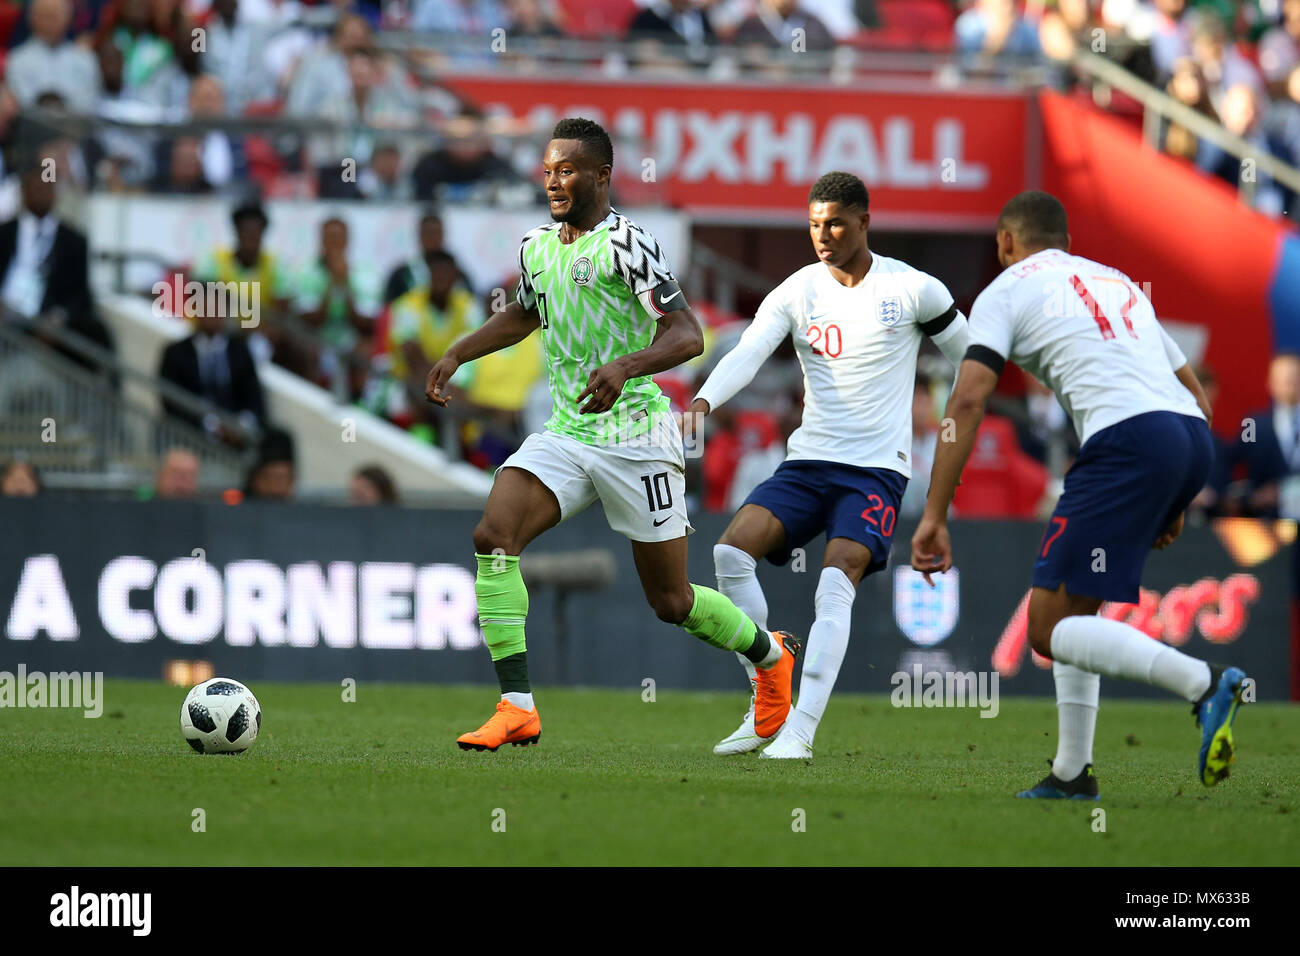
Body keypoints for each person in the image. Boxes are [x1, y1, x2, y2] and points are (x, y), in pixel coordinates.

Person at [425, 117, 800, 752]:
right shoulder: (538, 246)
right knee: (494, 534)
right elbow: (524, 312)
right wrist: (460, 351)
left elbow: (688, 334)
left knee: (672, 600)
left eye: (567, 170)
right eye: (547, 171)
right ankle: (516, 705)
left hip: (637, 433)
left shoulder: (630, 245)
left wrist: (625, 366)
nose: (554, 182)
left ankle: (772, 656)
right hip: (569, 430)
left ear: (602, 175)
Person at [911, 190, 1247, 798]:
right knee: (1076, 612)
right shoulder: (1118, 282)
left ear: (1008, 242)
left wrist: (934, 513)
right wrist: (1171, 498)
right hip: (1189, 438)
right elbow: (1196, 398)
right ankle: (1072, 773)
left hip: (1126, 443)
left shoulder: (1005, 290)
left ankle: (1206, 683)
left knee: (1045, 630)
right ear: (1064, 240)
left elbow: (967, 400)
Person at [689, 171, 970, 758]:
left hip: (875, 472)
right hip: (808, 463)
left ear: (865, 222)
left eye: (837, 222)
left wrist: (947, 422)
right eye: (815, 223)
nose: (824, 234)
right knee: (729, 552)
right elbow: (747, 352)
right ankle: (769, 697)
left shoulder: (915, 290)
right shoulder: (797, 291)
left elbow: (975, 361)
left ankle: (803, 731)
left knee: (834, 580)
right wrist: (703, 401)